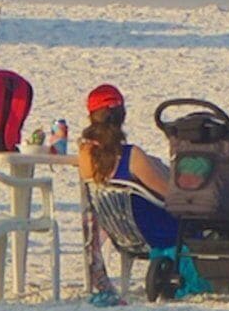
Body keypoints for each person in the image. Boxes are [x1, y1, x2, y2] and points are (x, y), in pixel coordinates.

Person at [74, 85, 193, 299]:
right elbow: (170, 195)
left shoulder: (85, 155)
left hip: (119, 233)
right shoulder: (131, 156)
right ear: (121, 116)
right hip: (154, 230)